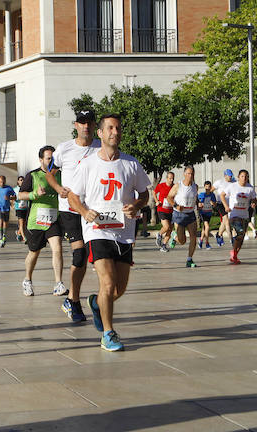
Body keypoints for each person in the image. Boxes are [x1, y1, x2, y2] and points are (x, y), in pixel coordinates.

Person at [67, 114, 149, 351]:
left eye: (118, 128)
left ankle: (95, 303)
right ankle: (108, 333)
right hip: (96, 230)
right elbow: (73, 195)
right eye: (110, 128)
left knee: (118, 290)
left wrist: (136, 205)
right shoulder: (88, 164)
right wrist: (84, 211)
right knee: (108, 282)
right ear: (100, 133)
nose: (115, 132)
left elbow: (144, 194)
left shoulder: (131, 164)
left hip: (123, 232)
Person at [46, 108, 101, 324]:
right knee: (79, 254)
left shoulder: (100, 147)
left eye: (89, 122)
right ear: (75, 125)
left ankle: (83, 299)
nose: (86, 126)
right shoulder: (64, 149)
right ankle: (74, 299)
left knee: (98, 256)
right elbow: (49, 173)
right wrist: (58, 187)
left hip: (93, 209)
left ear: (95, 126)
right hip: (69, 209)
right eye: (81, 122)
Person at [18, 145, 68, 296]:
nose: (51, 161)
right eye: (48, 158)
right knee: (34, 252)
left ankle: (58, 284)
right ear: (41, 160)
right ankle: (27, 280)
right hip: (36, 221)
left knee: (57, 248)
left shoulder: (60, 175)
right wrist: (34, 194)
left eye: (53, 158)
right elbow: (21, 196)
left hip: (54, 219)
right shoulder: (32, 175)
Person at [166, 166, 200, 267]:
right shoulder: (178, 185)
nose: (190, 176)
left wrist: (199, 203)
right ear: (184, 174)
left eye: (192, 173)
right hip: (179, 214)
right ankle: (174, 236)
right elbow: (169, 197)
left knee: (193, 237)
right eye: (188, 173)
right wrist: (176, 205)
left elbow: (194, 198)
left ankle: (189, 259)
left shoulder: (195, 186)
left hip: (190, 214)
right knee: (182, 241)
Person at [221, 170, 257, 265]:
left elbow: (254, 198)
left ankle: (234, 254)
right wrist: (226, 206)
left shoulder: (250, 188)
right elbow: (222, 195)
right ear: (238, 177)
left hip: (244, 215)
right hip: (234, 214)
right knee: (240, 233)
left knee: (241, 238)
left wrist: (253, 203)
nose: (244, 178)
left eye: (246, 176)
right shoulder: (233, 186)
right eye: (242, 176)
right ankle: (234, 252)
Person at [0, 176, 16, 248]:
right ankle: (1, 239)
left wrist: (10, 198)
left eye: (3, 181)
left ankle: (4, 236)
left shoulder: (9, 188)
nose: (2, 183)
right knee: (0, 223)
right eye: (1, 181)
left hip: (6, 208)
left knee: (5, 224)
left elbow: (15, 197)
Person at [211, 170, 233, 246]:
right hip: (221, 204)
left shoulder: (234, 182)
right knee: (226, 221)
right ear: (225, 176)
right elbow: (210, 190)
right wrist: (212, 200)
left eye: (231, 175)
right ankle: (231, 239)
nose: (230, 177)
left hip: (230, 204)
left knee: (224, 222)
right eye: (229, 175)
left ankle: (219, 234)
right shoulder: (219, 182)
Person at [154, 171, 174, 251]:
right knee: (166, 227)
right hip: (162, 209)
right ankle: (159, 234)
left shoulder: (174, 187)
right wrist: (156, 201)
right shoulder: (161, 185)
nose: (171, 180)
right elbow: (154, 192)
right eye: (170, 178)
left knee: (170, 229)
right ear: (166, 178)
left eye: (173, 178)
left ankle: (164, 246)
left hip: (171, 210)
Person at [197, 181, 217, 249]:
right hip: (203, 213)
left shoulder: (212, 195)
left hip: (209, 213)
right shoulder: (201, 195)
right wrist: (200, 205)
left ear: (211, 187)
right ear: (204, 187)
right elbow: (198, 204)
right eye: (206, 187)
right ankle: (207, 243)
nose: (207, 189)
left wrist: (213, 204)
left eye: (209, 187)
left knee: (204, 228)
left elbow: (215, 205)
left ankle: (201, 241)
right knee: (207, 227)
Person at [14, 175, 29, 242]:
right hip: (19, 208)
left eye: (23, 180)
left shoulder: (26, 188)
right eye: (20, 180)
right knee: (21, 223)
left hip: (26, 208)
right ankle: (24, 237)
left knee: (24, 224)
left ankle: (18, 232)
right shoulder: (15, 189)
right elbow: (12, 197)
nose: (22, 181)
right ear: (18, 181)